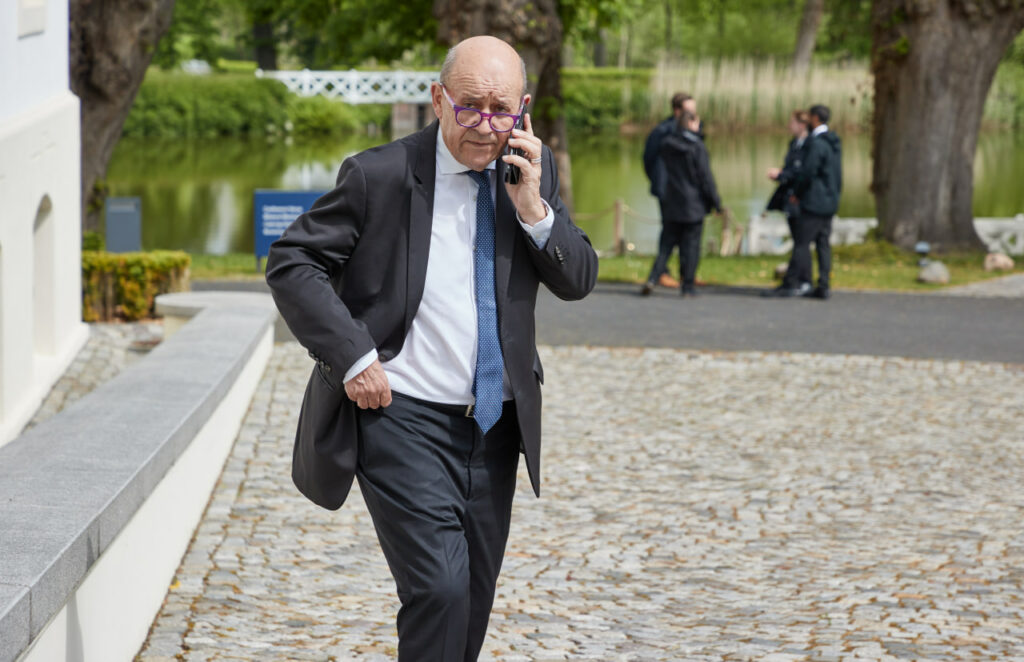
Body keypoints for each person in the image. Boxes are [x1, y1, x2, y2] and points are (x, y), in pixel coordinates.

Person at [265, 36, 598, 661]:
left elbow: (577, 278)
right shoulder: (380, 174)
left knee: (471, 596)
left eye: (501, 110)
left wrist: (533, 208)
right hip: (402, 419)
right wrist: (355, 356)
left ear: (523, 109)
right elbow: (294, 261)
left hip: (495, 426)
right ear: (438, 99)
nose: (485, 125)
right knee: (439, 590)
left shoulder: (533, 169)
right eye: (470, 106)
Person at [762, 104, 842, 299]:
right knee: (823, 243)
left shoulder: (815, 143)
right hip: (830, 200)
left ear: (814, 119)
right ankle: (823, 284)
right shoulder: (833, 141)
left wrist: (797, 193)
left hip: (815, 201)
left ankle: (792, 283)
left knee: (802, 242)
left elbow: (808, 172)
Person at [642, 111, 724, 297]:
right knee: (691, 246)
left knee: (666, 245)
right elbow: (705, 178)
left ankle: (653, 278)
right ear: (691, 124)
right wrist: (716, 203)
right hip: (692, 204)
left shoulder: (666, 145)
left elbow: (657, 168)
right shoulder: (697, 147)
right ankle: (687, 285)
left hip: (672, 201)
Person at [641, 92, 698, 293]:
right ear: (677, 110)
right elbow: (648, 158)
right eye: (689, 110)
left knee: (685, 231)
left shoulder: (688, 130)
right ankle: (663, 273)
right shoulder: (663, 131)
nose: (693, 114)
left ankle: (686, 273)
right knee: (670, 231)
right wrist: (659, 181)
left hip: (684, 192)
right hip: (667, 190)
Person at [764, 110, 811, 292]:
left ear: (802, 124)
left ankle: (799, 280)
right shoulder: (794, 144)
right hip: (789, 197)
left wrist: (782, 174)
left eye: (792, 122)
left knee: (801, 242)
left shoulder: (808, 146)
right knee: (798, 241)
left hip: (799, 199)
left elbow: (801, 172)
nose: (789, 126)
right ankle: (800, 279)